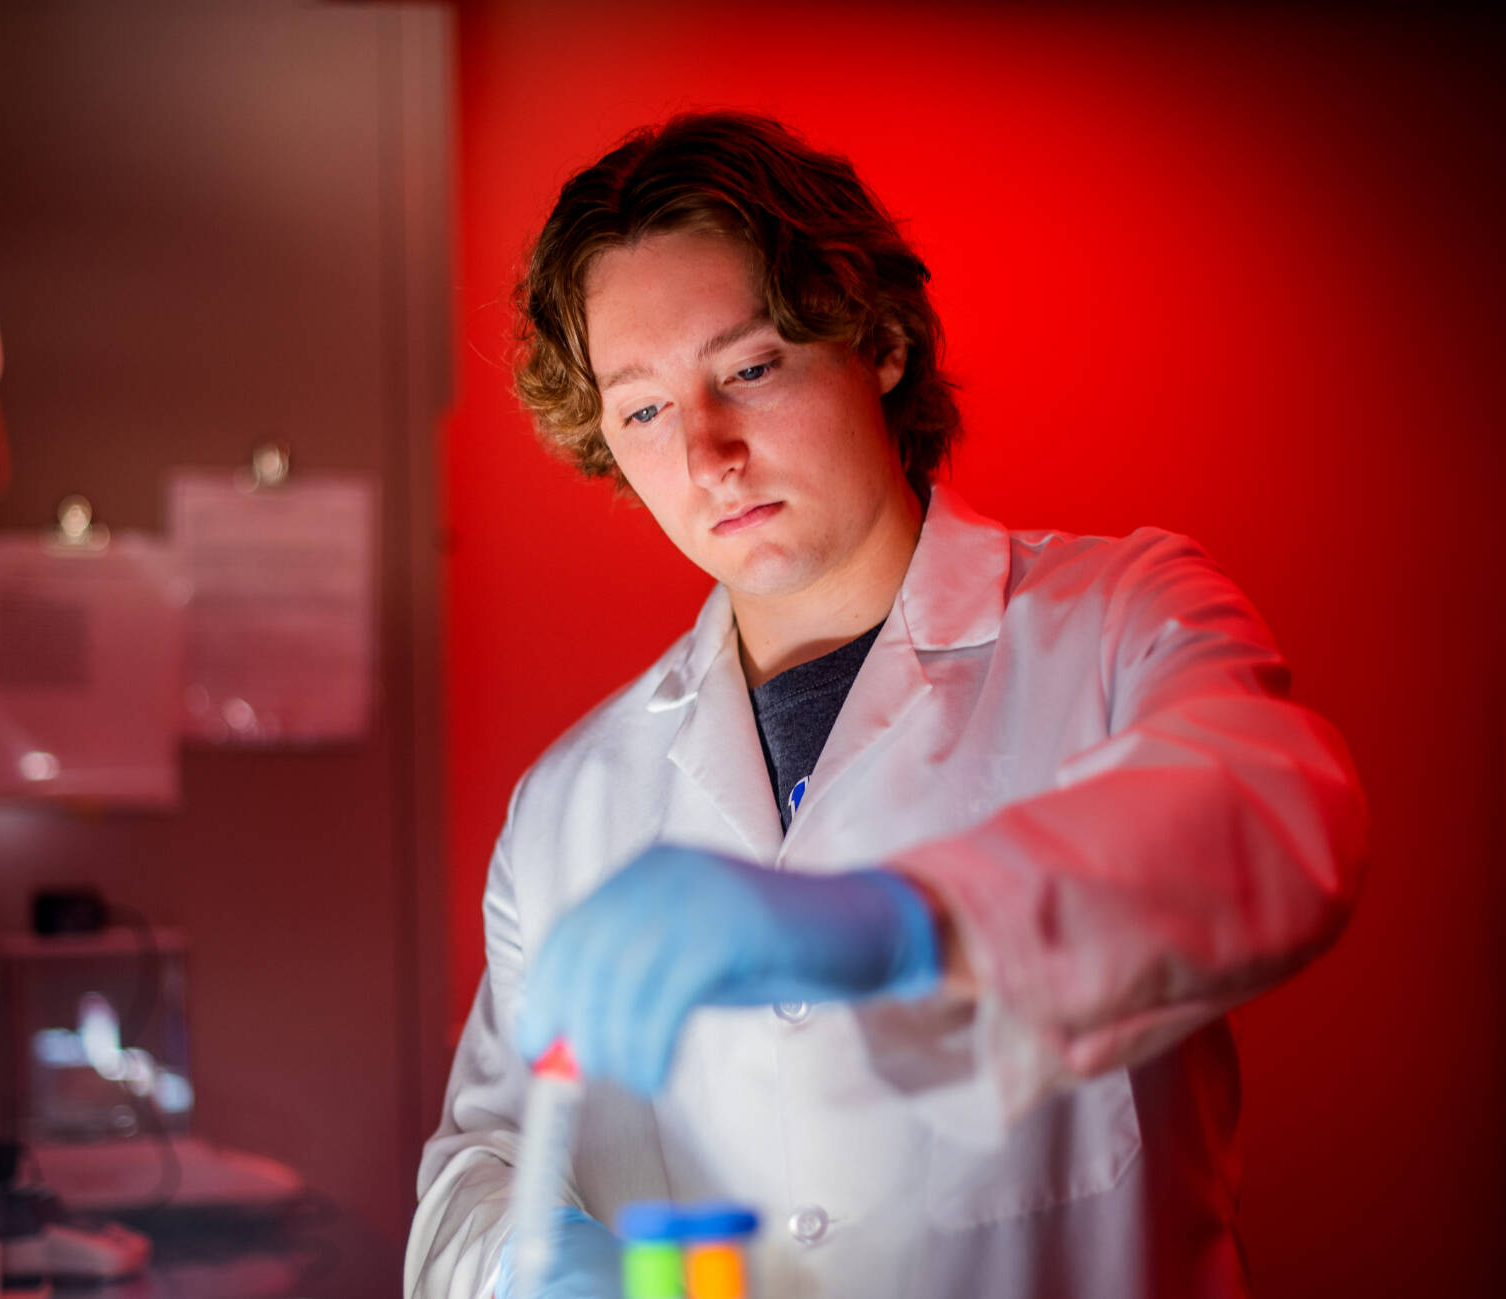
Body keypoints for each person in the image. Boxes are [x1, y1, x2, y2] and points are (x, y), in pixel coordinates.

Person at [405, 111, 1367, 1299]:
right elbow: (480, 1158)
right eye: (643, 409)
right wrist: (532, 1269)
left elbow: (1277, 813)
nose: (706, 455)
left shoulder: (1111, 620)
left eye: (748, 369)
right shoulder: (570, 801)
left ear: (877, 342)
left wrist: (899, 921)